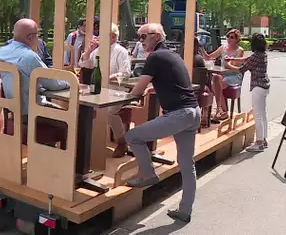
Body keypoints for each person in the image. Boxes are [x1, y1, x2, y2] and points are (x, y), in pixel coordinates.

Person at [126, 23, 200, 223]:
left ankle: (148, 175)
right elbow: (171, 81)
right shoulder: (172, 55)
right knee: (187, 165)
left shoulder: (155, 57)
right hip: (193, 112)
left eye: (144, 37)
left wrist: (119, 102)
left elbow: (137, 90)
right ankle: (185, 210)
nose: (140, 41)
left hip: (179, 114)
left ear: (157, 36)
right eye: (139, 37)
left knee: (133, 136)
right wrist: (154, 88)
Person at [0, 18, 70, 145]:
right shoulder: (29, 56)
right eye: (38, 35)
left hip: (14, 110)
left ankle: (45, 153)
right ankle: (62, 160)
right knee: (70, 120)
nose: (39, 38)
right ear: (30, 37)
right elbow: (52, 83)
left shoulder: (3, 51)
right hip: (32, 111)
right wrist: (69, 82)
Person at [79, 23, 131, 157]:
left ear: (113, 37)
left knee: (107, 111)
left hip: (117, 90)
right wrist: (89, 51)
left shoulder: (121, 51)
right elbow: (85, 65)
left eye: (102, 35)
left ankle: (122, 142)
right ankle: (86, 143)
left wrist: (109, 78)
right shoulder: (98, 50)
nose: (98, 37)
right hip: (98, 89)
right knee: (82, 106)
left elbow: (125, 73)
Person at [227, 33, 270, 152]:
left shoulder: (256, 56)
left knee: (258, 115)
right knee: (263, 114)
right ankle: (264, 140)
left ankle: (259, 142)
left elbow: (241, 69)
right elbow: (246, 59)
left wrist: (229, 65)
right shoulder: (262, 54)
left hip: (258, 87)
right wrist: (232, 58)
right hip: (265, 86)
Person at [204, 29, 244, 121]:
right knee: (215, 79)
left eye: (232, 37)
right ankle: (221, 110)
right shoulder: (223, 48)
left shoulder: (239, 50)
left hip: (234, 76)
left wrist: (227, 62)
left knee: (217, 84)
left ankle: (222, 110)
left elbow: (234, 66)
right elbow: (209, 57)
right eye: (228, 37)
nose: (229, 39)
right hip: (223, 75)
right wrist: (201, 49)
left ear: (237, 39)